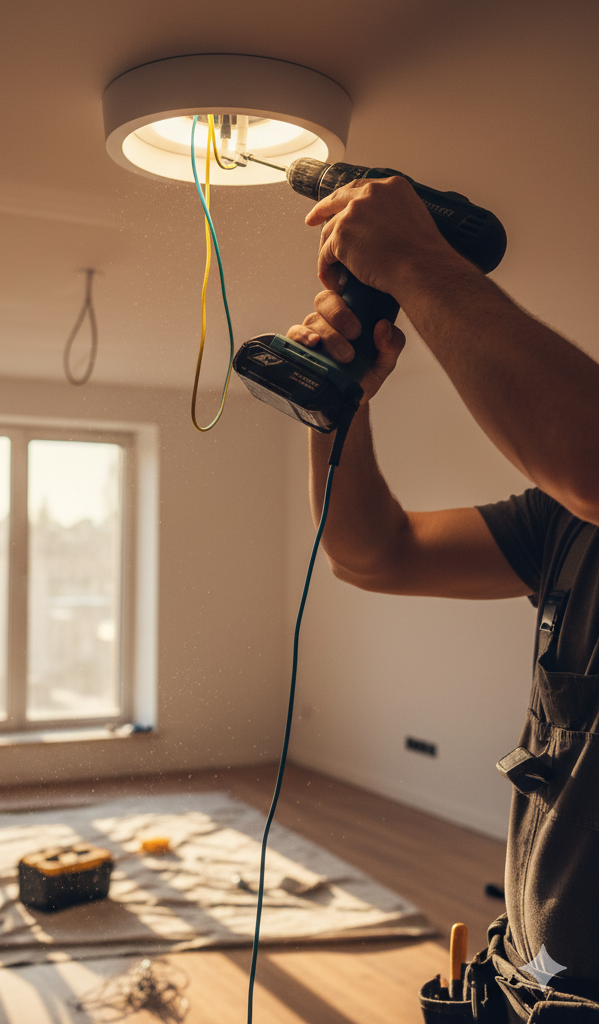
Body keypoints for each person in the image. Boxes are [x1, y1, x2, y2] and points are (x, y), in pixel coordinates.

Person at [283, 176, 599, 1019]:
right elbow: (373, 554)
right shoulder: (569, 525)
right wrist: (337, 410)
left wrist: (417, 258)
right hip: (536, 982)